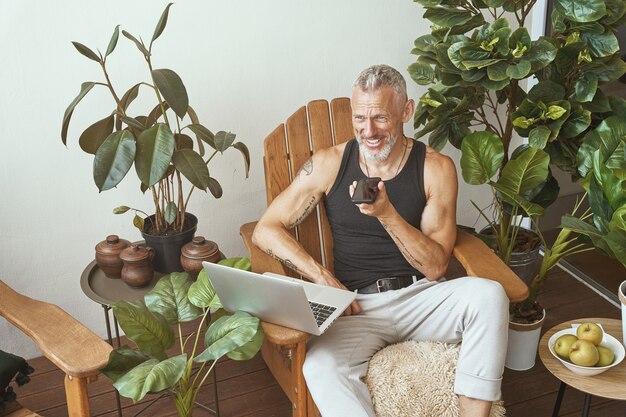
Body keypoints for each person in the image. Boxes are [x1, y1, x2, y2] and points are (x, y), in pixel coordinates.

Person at [252, 64, 509, 417]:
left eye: (381, 119)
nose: (368, 131)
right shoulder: (329, 164)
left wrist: (387, 214)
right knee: (320, 367)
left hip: (422, 298)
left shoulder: (435, 167)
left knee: (489, 295)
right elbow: (266, 228)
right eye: (360, 118)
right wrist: (323, 279)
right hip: (358, 308)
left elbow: (436, 266)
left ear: (406, 111)